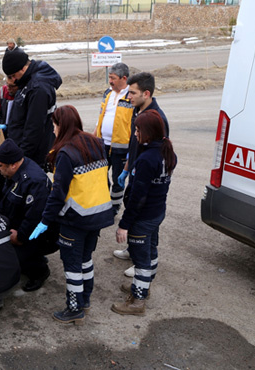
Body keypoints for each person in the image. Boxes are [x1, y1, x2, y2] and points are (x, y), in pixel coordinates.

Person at [29, 105, 114, 325]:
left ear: (61, 125)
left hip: (75, 219)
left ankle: (74, 308)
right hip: (97, 215)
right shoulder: (95, 143)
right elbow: (105, 180)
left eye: (55, 125)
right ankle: (85, 300)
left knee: (72, 265)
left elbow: (58, 193)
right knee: (86, 260)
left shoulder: (66, 153)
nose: (53, 130)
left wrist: (45, 221)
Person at [111, 110, 177, 316]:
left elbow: (138, 197)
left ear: (148, 132)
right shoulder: (166, 152)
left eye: (138, 130)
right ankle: (144, 287)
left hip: (143, 217)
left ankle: (138, 301)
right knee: (151, 250)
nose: (136, 134)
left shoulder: (148, 159)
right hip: (157, 213)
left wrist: (124, 224)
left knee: (141, 260)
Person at [113, 72, 169, 272]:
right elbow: (133, 144)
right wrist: (127, 169)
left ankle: (144, 259)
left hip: (146, 176)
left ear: (146, 93)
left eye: (133, 93)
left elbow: (160, 153)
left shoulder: (156, 118)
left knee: (145, 218)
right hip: (136, 171)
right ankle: (133, 248)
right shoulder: (137, 112)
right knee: (133, 206)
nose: (129, 97)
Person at [0, 139, 55, 292]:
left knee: (7, 261)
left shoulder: (35, 181)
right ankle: (30, 257)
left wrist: (20, 237)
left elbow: (35, 218)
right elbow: (1, 199)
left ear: (13, 164)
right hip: (17, 224)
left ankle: (39, 271)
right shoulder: (7, 171)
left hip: (38, 233)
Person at [2, 49, 62, 169]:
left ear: (23, 69)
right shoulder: (27, 80)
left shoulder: (38, 88)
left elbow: (34, 128)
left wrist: (22, 157)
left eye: (13, 75)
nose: (13, 80)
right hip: (21, 149)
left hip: (30, 156)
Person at [94, 62, 133, 217]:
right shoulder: (107, 93)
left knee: (118, 179)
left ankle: (114, 207)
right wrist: (94, 135)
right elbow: (101, 116)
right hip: (103, 144)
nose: (110, 81)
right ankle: (103, 203)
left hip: (121, 147)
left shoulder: (131, 96)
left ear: (124, 78)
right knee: (100, 176)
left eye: (113, 78)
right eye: (109, 77)